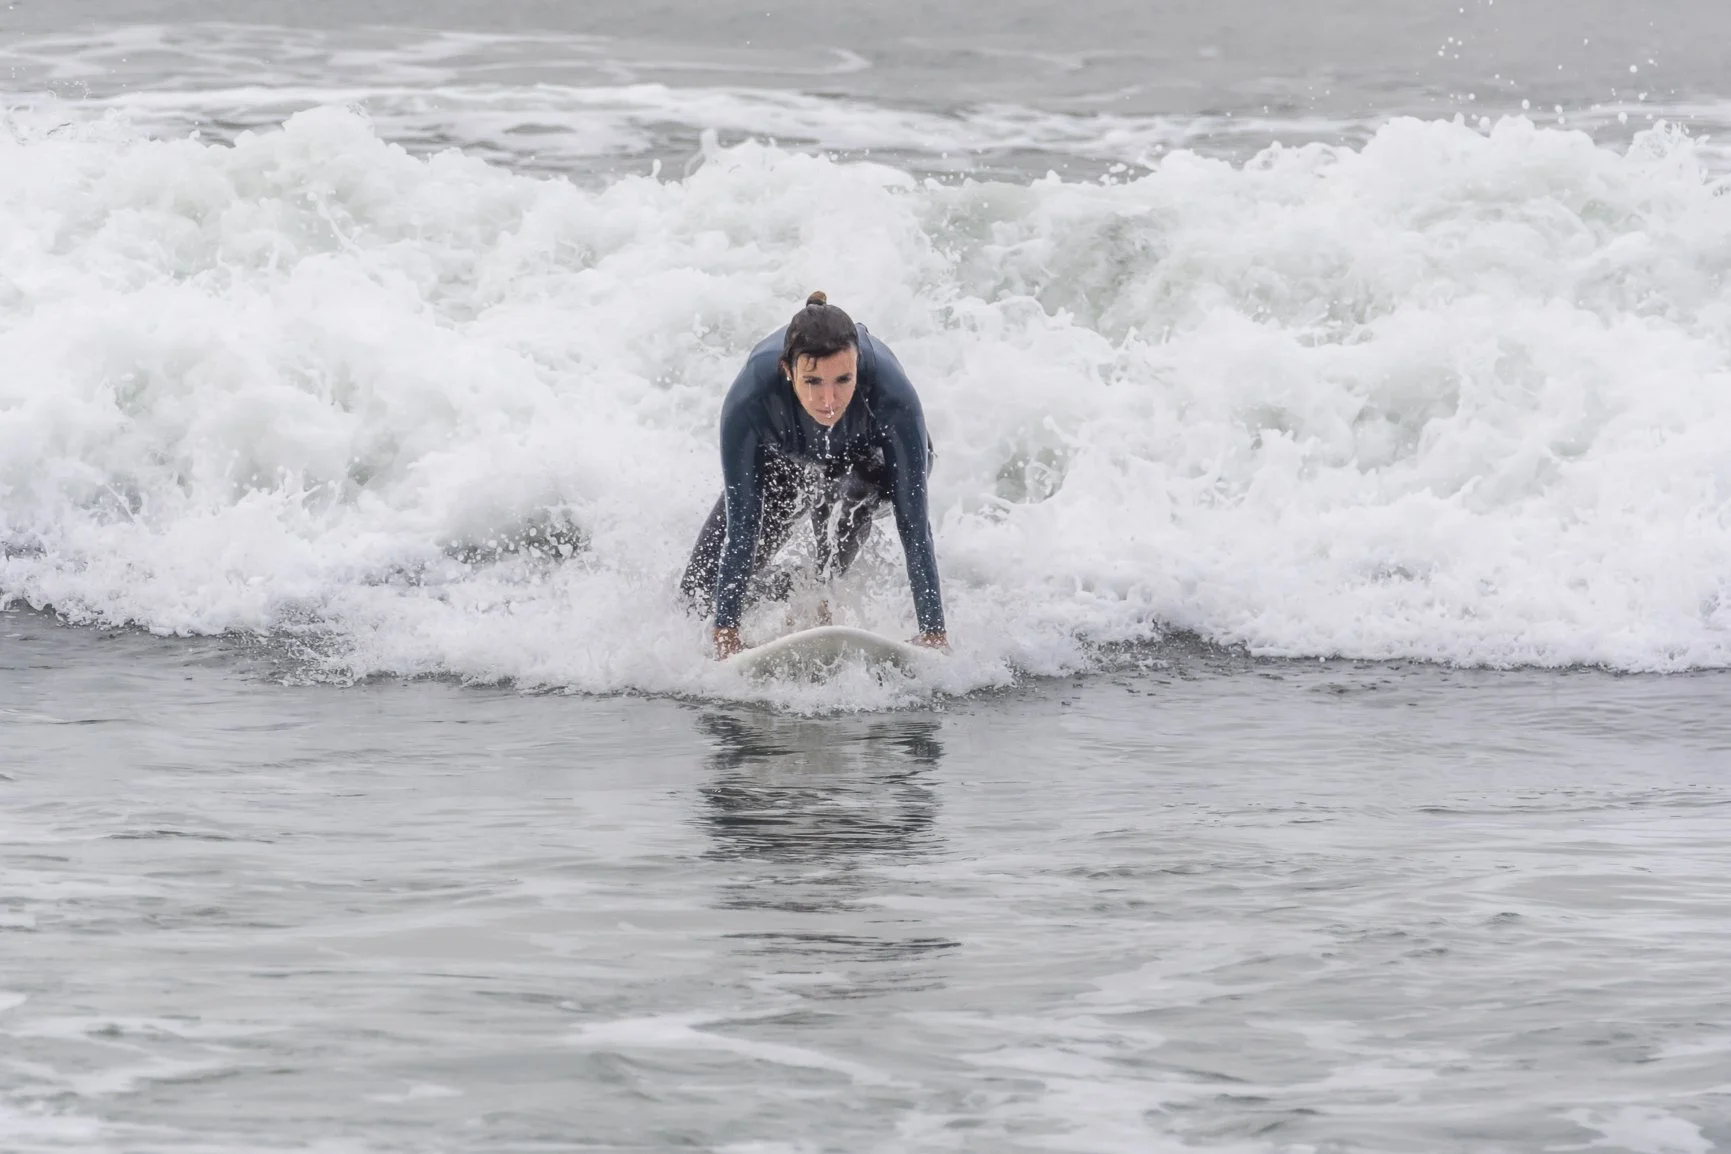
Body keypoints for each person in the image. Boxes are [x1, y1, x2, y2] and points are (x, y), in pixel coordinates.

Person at [680, 292, 947, 659]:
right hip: (789, 459)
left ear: (858, 365)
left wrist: (933, 632)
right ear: (788, 372)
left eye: (843, 379)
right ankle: (786, 592)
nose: (829, 400)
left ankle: (824, 594)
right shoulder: (750, 401)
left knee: (853, 488)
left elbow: (915, 526)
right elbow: (742, 526)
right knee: (696, 596)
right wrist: (726, 635)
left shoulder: (892, 396)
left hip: (874, 466)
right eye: (812, 382)